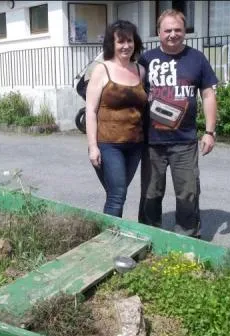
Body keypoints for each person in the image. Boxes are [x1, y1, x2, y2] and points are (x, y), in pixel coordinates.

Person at [138, 9, 218, 238]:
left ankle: (188, 237)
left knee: (188, 193)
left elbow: (208, 95)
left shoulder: (197, 58)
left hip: (185, 141)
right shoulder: (146, 60)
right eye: (168, 30)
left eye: (178, 30)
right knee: (151, 193)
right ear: (158, 32)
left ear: (185, 31)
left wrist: (210, 132)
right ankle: (148, 236)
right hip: (152, 141)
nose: (173, 34)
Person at [86, 20, 147, 217]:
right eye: (120, 41)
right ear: (112, 44)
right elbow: (90, 111)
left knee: (116, 192)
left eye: (129, 41)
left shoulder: (140, 70)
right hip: (108, 145)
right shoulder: (101, 70)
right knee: (117, 195)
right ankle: (108, 241)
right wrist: (93, 146)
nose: (126, 46)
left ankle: (109, 232)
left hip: (135, 145)